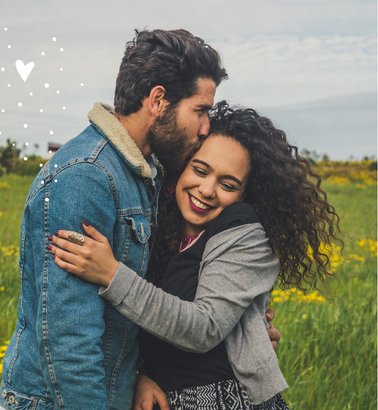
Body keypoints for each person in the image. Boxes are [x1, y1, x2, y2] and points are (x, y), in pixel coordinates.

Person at [48, 102, 341, 409]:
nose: (207, 189)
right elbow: (145, 321)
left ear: (244, 194)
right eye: (200, 170)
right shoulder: (157, 227)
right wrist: (142, 375)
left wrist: (111, 274)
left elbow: (203, 328)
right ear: (181, 168)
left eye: (228, 184)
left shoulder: (245, 233)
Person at [0, 29, 230, 410]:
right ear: (158, 100)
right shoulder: (86, 177)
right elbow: (68, 340)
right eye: (200, 110)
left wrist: (140, 373)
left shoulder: (142, 170)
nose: (205, 127)